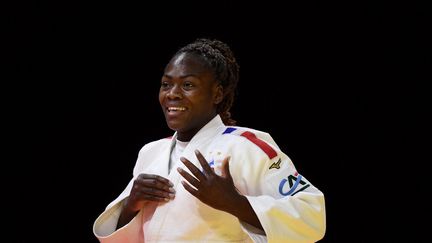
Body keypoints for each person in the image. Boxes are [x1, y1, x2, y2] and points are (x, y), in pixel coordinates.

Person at [93, 38, 326, 242]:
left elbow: (312, 216)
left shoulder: (245, 145)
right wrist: (131, 205)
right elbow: (124, 236)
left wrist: (234, 202)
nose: (172, 93)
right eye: (166, 84)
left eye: (188, 85)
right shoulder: (151, 152)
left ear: (217, 93)